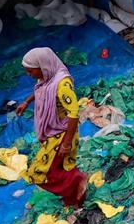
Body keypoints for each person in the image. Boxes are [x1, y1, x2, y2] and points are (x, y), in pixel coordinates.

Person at [16, 48, 87, 207]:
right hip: (53, 131)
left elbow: (74, 113)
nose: (29, 74)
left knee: (41, 171)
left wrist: (67, 143)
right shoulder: (47, 78)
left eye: (30, 71)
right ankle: (73, 200)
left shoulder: (62, 84)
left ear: (43, 66)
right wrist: (26, 102)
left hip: (62, 132)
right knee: (60, 167)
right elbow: (42, 90)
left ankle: (78, 181)